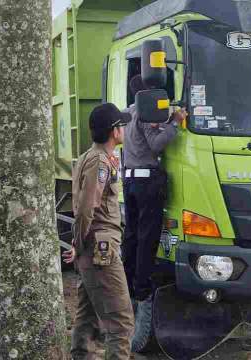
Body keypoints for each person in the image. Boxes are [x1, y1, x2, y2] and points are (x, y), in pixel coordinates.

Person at [64, 103, 133, 360]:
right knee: (121, 322)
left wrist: (78, 243)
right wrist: (78, 243)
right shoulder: (100, 162)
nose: (124, 129)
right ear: (114, 131)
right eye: (122, 125)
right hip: (100, 249)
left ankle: (81, 355)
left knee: (87, 312)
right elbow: (86, 208)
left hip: (92, 248)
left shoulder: (87, 157)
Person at [122, 75, 187, 302]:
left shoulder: (127, 112)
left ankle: (126, 285)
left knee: (131, 236)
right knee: (147, 237)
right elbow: (156, 144)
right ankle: (141, 290)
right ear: (148, 93)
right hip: (146, 182)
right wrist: (175, 122)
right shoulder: (145, 113)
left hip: (129, 180)